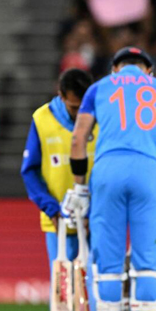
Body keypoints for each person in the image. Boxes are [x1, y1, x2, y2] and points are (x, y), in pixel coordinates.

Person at [67, 47, 156, 311]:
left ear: (115, 69)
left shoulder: (99, 88)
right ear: (148, 71)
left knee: (108, 263)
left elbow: (78, 138)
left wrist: (80, 188)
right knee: (148, 263)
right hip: (149, 169)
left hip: (107, 170)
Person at [21, 68, 96, 269]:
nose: (81, 113)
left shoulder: (101, 118)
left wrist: (94, 209)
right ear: (60, 95)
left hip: (96, 220)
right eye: (74, 108)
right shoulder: (42, 119)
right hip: (58, 220)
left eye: (84, 107)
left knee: (97, 286)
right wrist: (51, 209)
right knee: (62, 289)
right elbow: (30, 171)